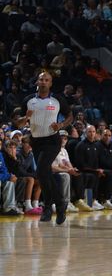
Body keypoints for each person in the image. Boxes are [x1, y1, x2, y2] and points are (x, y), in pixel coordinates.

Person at [15, 71, 72, 223]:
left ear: (50, 83)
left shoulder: (57, 99)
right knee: (44, 174)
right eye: (41, 79)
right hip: (36, 140)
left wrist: (60, 125)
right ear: (37, 82)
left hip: (53, 140)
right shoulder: (28, 100)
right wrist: (26, 117)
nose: (43, 82)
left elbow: (69, 116)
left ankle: (49, 207)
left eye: (47, 80)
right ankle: (60, 206)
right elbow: (19, 123)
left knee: (41, 170)